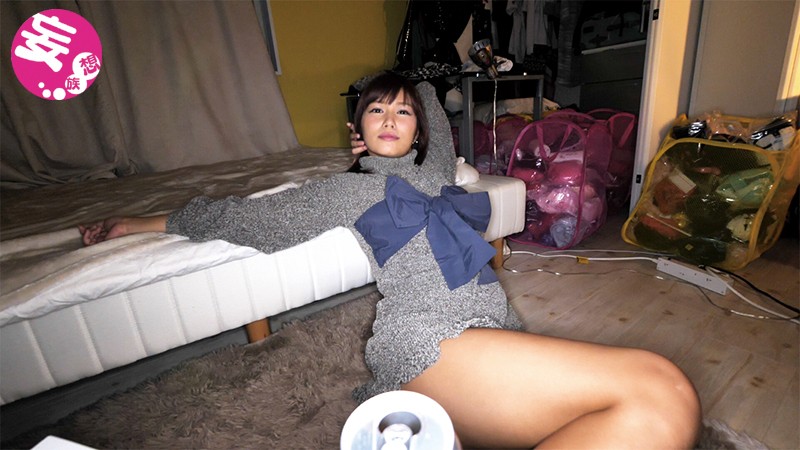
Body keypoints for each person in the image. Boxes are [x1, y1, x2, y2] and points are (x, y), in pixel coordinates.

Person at [81, 72, 701, 449]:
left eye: (401, 112)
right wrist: (139, 223)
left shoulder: (436, 172)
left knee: (655, 403)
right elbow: (247, 220)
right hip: (428, 342)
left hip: (490, 333)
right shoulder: (348, 189)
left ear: (417, 130)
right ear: (358, 126)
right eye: (374, 109)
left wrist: (413, 91)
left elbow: (435, 115)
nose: (389, 117)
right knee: (660, 392)